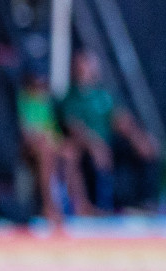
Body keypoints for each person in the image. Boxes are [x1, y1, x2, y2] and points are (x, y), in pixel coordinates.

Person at [61, 50, 160, 212]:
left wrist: (137, 136)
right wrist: (94, 142)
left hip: (110, 141)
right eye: (83, 64)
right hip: (88, 145)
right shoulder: (70, 98)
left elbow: (120, 119)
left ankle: (144, 202)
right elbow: (74, 128)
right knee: (90, 152)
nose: (86, 68)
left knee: (147, 146)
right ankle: (91, 206)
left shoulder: (104, 94)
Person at [18, 70, 81, 227]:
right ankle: (50, 207)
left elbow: (54, 133)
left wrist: (60, 145)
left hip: (49, 145)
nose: (41, 89)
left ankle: (78, 204)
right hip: (30, 148)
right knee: (46, 153)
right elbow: (24, 132)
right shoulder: (22, 102)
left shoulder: (45, 104)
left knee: (70, 152)